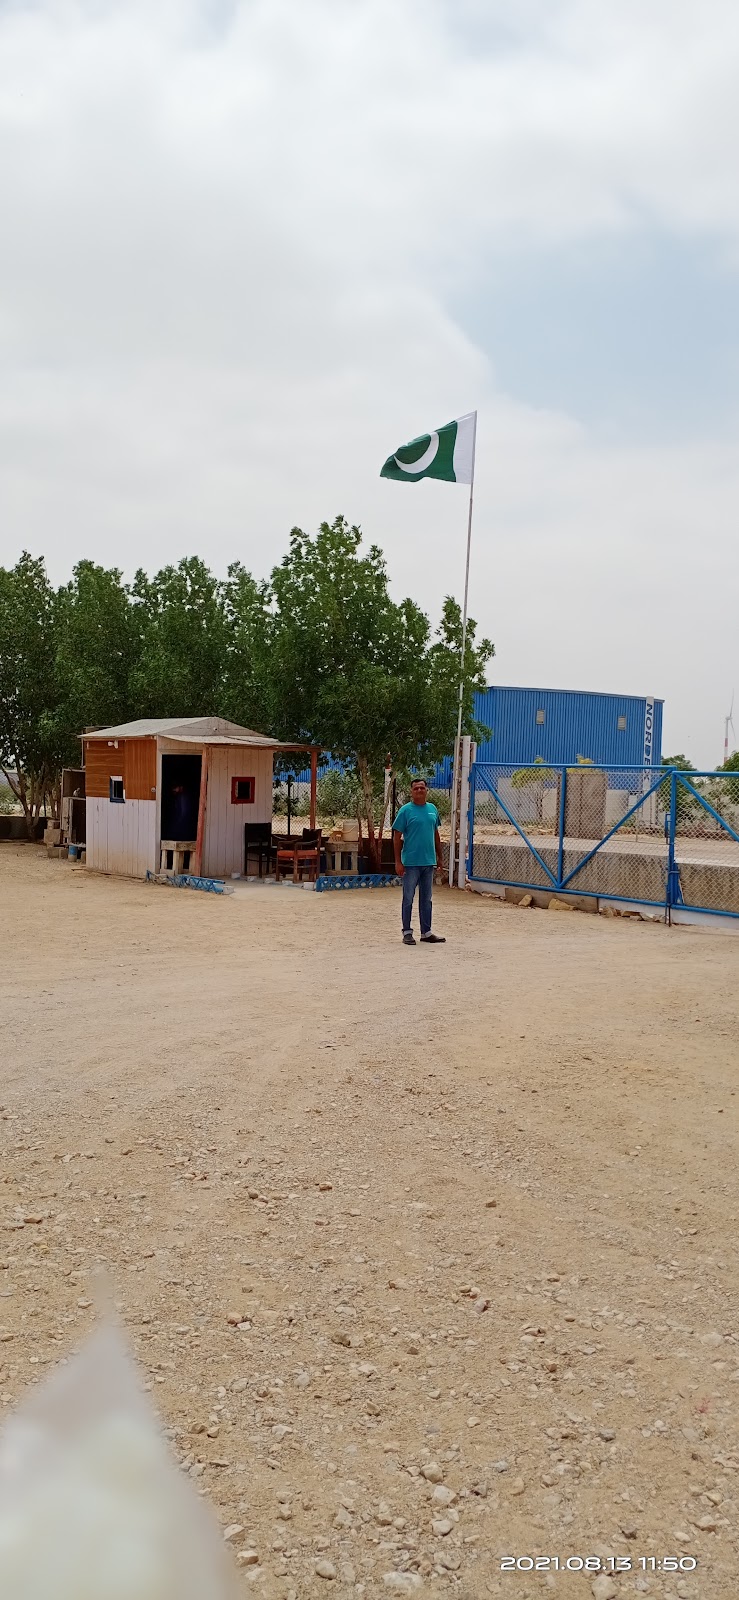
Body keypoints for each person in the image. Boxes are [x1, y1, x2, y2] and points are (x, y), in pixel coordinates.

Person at [392, 778, 446, 945]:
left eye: (422, 788)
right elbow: (396, 837)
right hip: (411, 863)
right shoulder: (405, 811)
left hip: (428, 862)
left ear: (427, 790)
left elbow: (435, 833)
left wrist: (439, 856)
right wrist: (398, 861)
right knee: (408, 897)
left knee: (426, 899)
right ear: (411, 792)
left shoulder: (432, 809)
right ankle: (407, 932)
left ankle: (426, 932)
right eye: (416, 788)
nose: (419, 791)